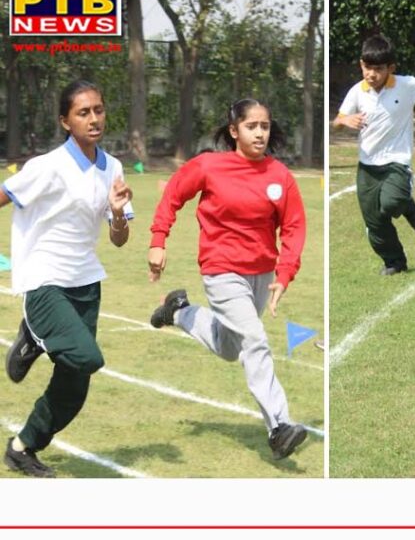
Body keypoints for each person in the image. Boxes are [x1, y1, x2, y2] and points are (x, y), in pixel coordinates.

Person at [147, 98, 308, 461]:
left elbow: (295, 228)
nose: (260, 133)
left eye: (264, 126)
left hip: (261, 273)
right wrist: (158, 241)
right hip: (221, 270)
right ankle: (280, 426)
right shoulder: (209, 166)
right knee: (255, 340)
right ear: (234, 131)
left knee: (229, 347)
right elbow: (172, 195)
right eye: (252, 126)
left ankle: (179, 312)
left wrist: (284, 274)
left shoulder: (280, 176)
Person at [1, 80, 134, 477]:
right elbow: (4, 194)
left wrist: (114, 212)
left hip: (87, 284)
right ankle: (31, 337)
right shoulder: (47, 166)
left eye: (98, 109)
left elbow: (120, 238)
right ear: (65, 121)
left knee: (76, 387)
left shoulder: (114, 168)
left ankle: (23, 446)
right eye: (83, 112)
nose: (94, 119)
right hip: (45, 280)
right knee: (89, 356)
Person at [333, 34, 415, 276]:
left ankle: (408, 206)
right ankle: (394, 261)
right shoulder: (357, 92)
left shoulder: (405, 85)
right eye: (367, 67)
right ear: (361, 64)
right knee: (374, 223)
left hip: (396, 161)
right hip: (366, 167)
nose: (371, 74)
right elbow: (337, 122)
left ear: (390, 68)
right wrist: (345, 119)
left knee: (392, 202)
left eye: (378, 69)